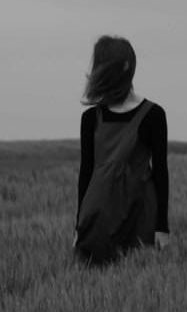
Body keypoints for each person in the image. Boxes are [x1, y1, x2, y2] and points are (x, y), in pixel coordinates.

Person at [73, 35, 170, 266]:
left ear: (125, 68)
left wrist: (162, 227)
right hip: (98, 220)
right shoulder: (90, 119)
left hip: (140, 216)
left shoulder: (153, 115)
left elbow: (161, 172)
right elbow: (86, 173)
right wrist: (79, 225)